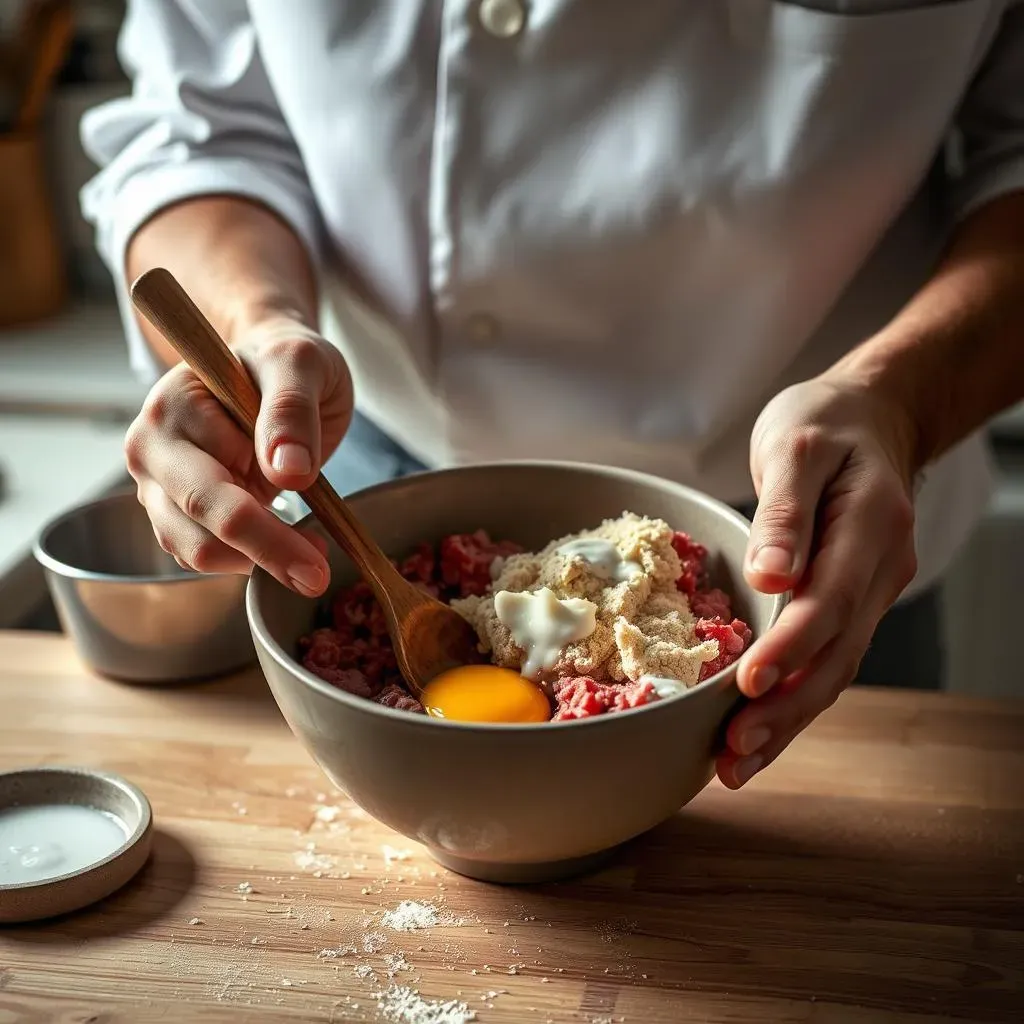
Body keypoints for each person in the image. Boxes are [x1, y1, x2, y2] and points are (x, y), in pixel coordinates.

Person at [80, 1, 1024, 790]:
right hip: (356, 458)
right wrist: (255, 331)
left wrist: (897, 400)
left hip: (813, 532)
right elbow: (200, 131)